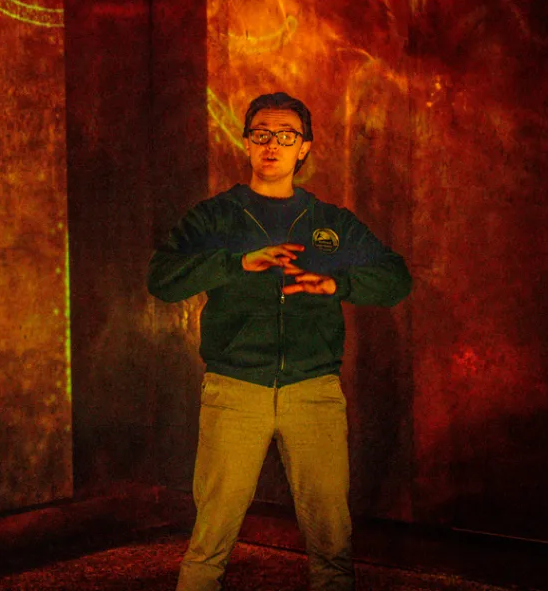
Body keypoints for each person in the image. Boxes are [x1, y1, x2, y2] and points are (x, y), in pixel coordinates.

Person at [147, 92, 412, 591]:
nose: (273, 145)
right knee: (211, 536)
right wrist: (236, 264)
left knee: (331, 539)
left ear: (304, 148)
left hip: (314, 391)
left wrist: (338, 284)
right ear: (246, 143)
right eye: (262, 135)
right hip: (234, 389)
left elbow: (396, 279)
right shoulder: (216, 218)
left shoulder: (329, 223)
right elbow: (161, 278)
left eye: (286, 136)